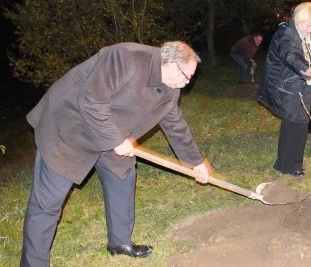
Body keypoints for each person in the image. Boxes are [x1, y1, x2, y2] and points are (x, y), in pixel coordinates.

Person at [20, 41, 210, 266]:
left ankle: (119, 243)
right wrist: (117, 140)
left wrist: (194, 162)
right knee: (47, 203)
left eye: (190, 78)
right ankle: (33, 263)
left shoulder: (171, 89)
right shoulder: (125, 57)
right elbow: (91, 100)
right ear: (169, 63)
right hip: (69, 125)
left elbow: (175, 124)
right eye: (186, 76)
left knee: (122, 173)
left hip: (109, 128)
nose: (187, 83)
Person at [257, 1, 311, 178]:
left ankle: (287, 163)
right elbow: (291, 56)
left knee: (299, 122)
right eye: (306, 24)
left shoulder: (303, 34)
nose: (309, 29)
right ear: (298, 19)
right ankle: (290, 166)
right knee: (295, 123)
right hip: (286, 86)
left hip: (299, 83)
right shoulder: (286, 35)